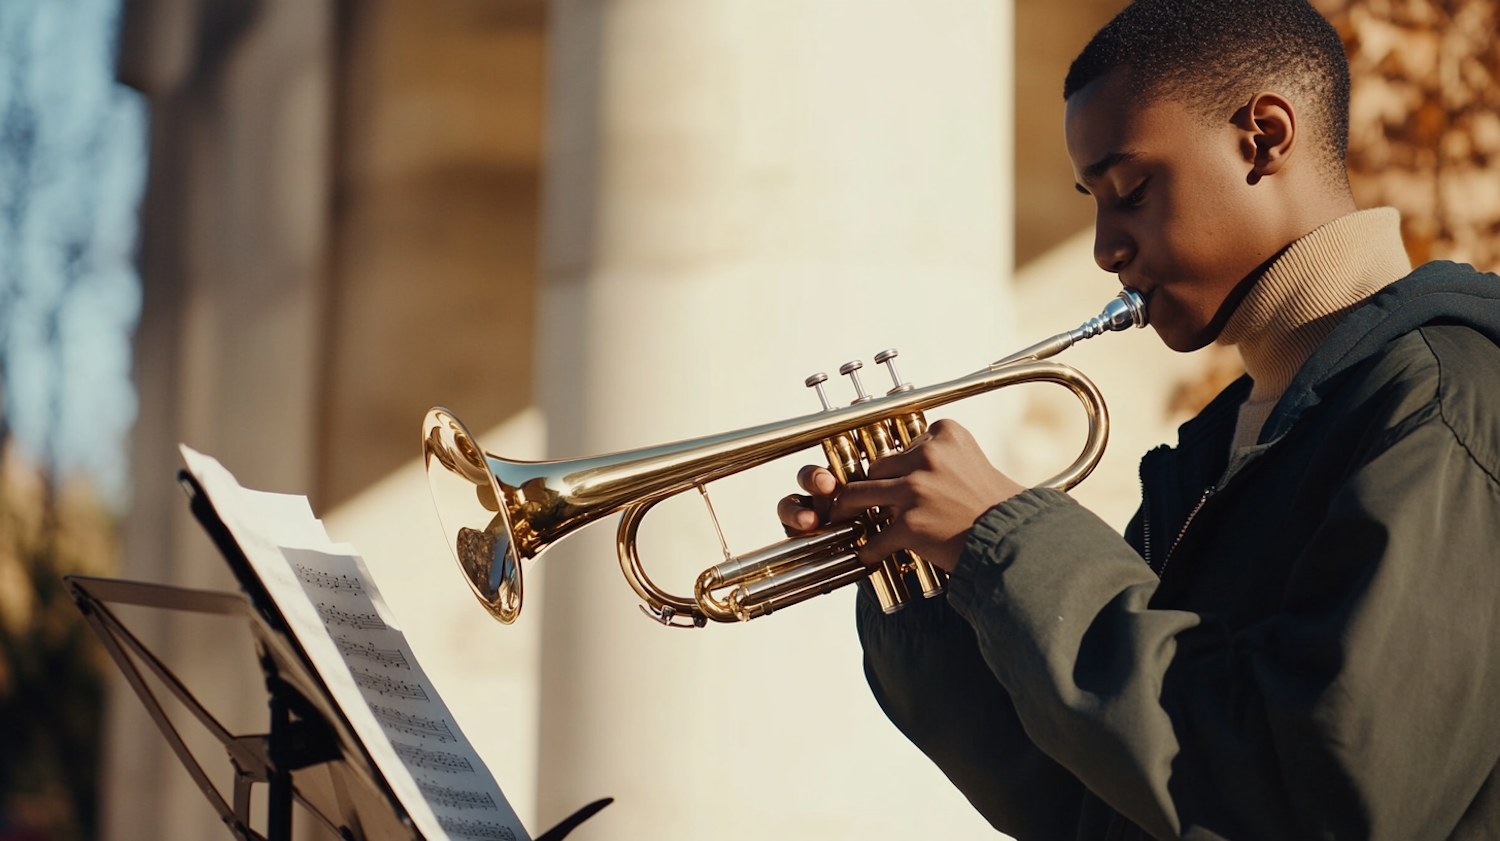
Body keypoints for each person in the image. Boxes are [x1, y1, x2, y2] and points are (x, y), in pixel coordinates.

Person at [778, 1, 1500, 838]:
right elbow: (1096, 798)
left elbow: (1329, 793)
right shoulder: (1222, 444)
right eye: (1092, 200)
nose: (1103, 246)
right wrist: (924, 579)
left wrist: (1005, 540)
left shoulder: (1440, 402)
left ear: (1262, 138)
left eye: (1130, 191)